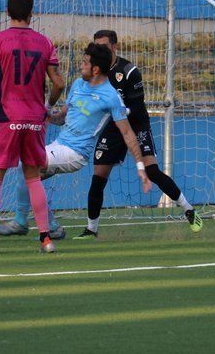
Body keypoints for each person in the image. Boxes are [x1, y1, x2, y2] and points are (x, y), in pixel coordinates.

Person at [0, 42, 152, 248]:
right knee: (28, 177)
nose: (81, 65)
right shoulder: (78, 85)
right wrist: (44, 114)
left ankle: (21, 221)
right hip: (60, 144)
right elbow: (62, 118)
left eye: (85, 62)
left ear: (95, 69)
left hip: (75, 153)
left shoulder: (111, 97)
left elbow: (127, 133)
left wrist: (140, 166)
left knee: (27, 167)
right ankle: (52, 227)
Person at [73, 30, 202, 240]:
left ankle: (189, 210)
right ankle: (91, 229)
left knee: (152, 171)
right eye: (96, 46)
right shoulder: (95, 73)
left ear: (114, 47)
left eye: (103, 46)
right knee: (98, 178)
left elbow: (135, 106)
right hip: (114, 128)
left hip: (137, 125)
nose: (99, 50)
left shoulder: (129, 71)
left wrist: (115, 110)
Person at [0, 0, 65, 255]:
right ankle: (46, 240)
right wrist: (48, 107)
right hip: (34, 119)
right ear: (32, 14)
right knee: (33, 178)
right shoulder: (45, 42)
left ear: (7, 12)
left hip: (7, 118)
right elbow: (59, 82)